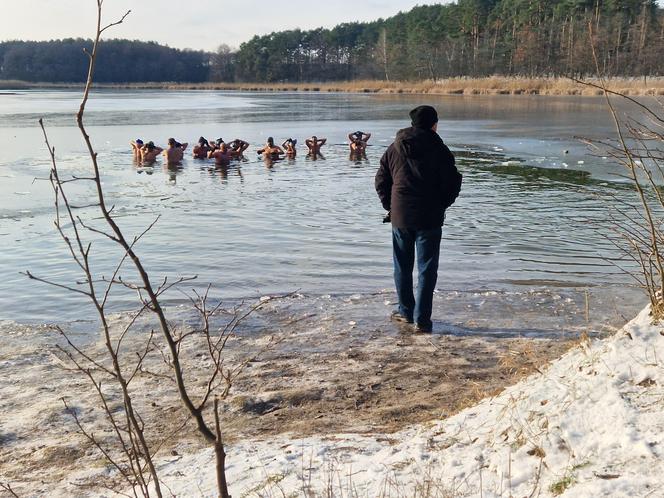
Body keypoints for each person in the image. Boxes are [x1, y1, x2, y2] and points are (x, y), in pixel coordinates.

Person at [375, 105, 462, 333]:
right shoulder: (439, 148)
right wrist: (442, 204)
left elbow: (381, 180)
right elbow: (453, 182)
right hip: (430, 217)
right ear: (434, 124)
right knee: (427, 269)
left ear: (413, 124)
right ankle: (422, 320)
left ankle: (405, 312)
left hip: (401, 216)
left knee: (402, 266)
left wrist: (390, 206)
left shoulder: (394, 148)